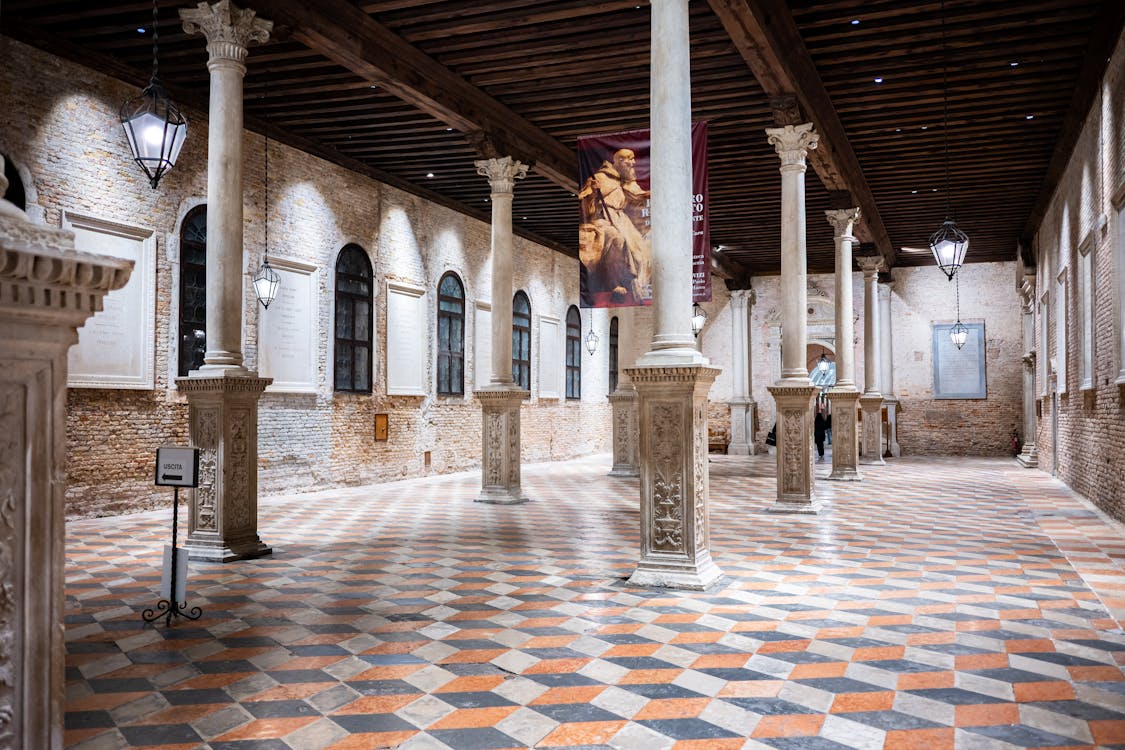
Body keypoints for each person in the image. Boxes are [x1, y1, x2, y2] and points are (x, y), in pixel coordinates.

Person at [579, 148, 652, 303]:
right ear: (619, 161)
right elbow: (585, 206)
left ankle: (634, 284)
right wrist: (593, 191)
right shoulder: (601, 177)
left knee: (642, 251)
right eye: (629, 160)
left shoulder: (624, 181)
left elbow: (637, 195)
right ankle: (615, 282)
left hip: (620, 219)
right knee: (617, 238)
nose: (633, 163)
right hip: (601, 220)